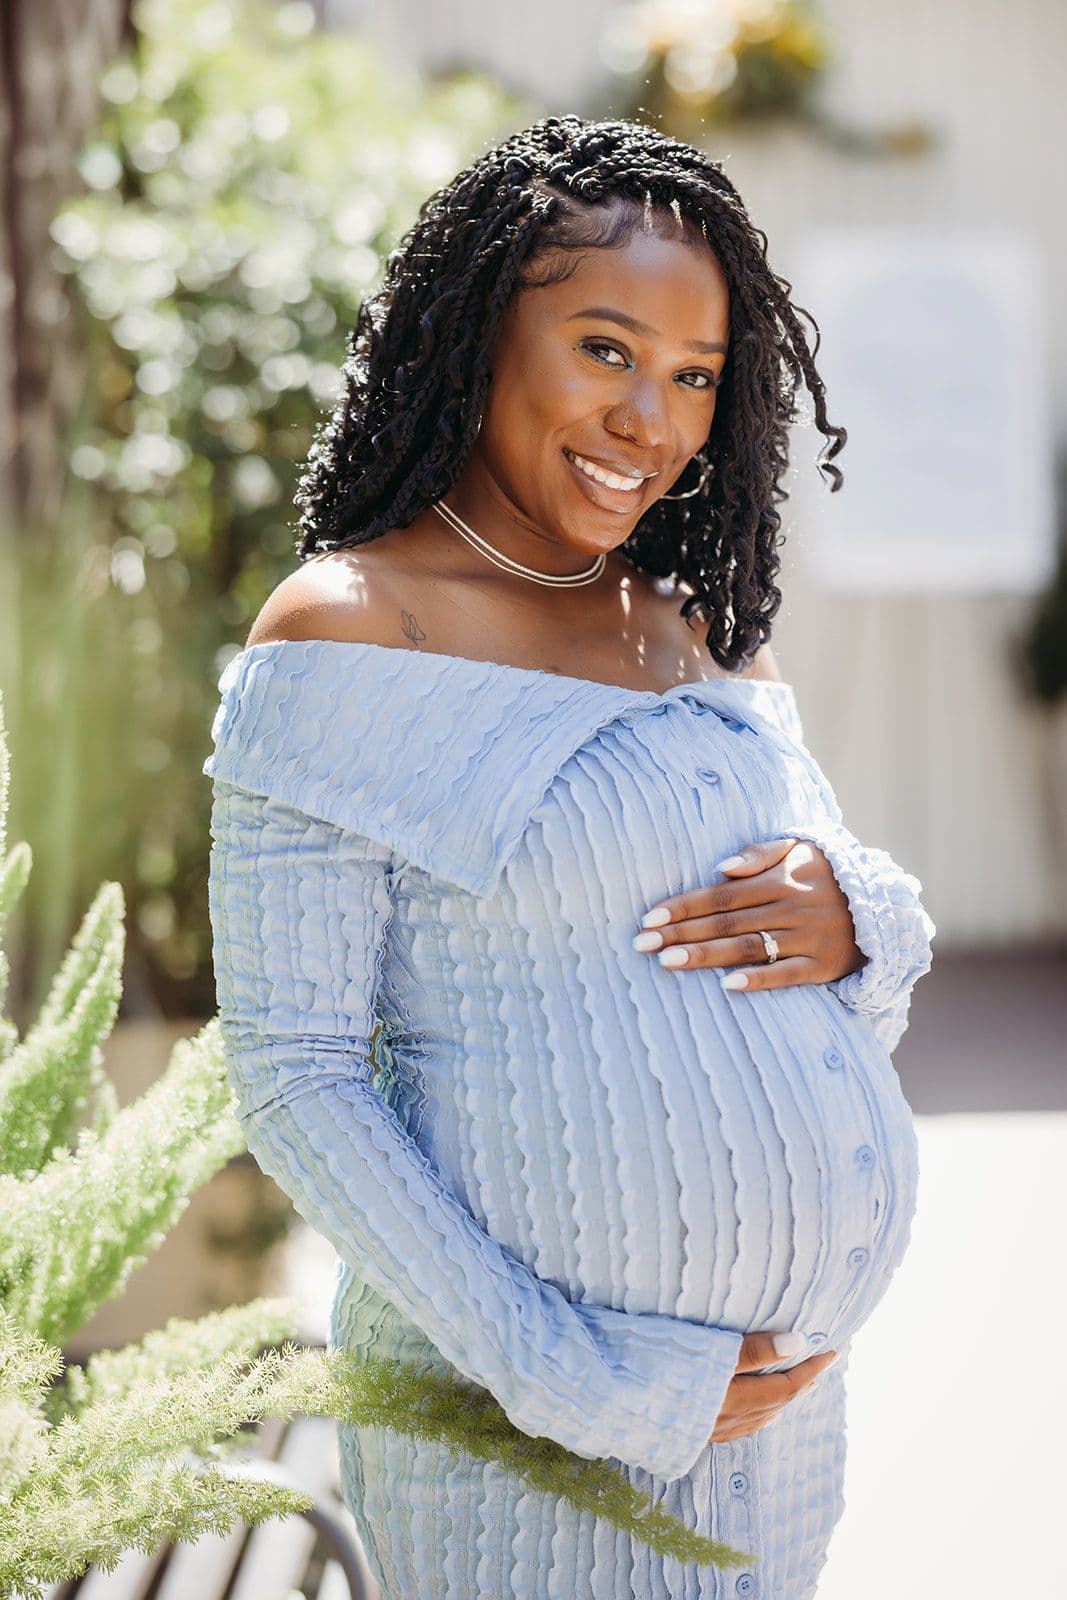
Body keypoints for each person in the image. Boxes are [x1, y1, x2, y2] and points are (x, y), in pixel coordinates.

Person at [203, 116, 934, 1600]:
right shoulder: (352, 627)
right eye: (605, 351)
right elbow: (295, 1077)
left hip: (779, 1428)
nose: (647, 422)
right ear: (481, 335)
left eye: (691, 377)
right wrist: (578, 1376)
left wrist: (858, 915)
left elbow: (846, 937)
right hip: (524, 1438)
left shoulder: (691, 618)